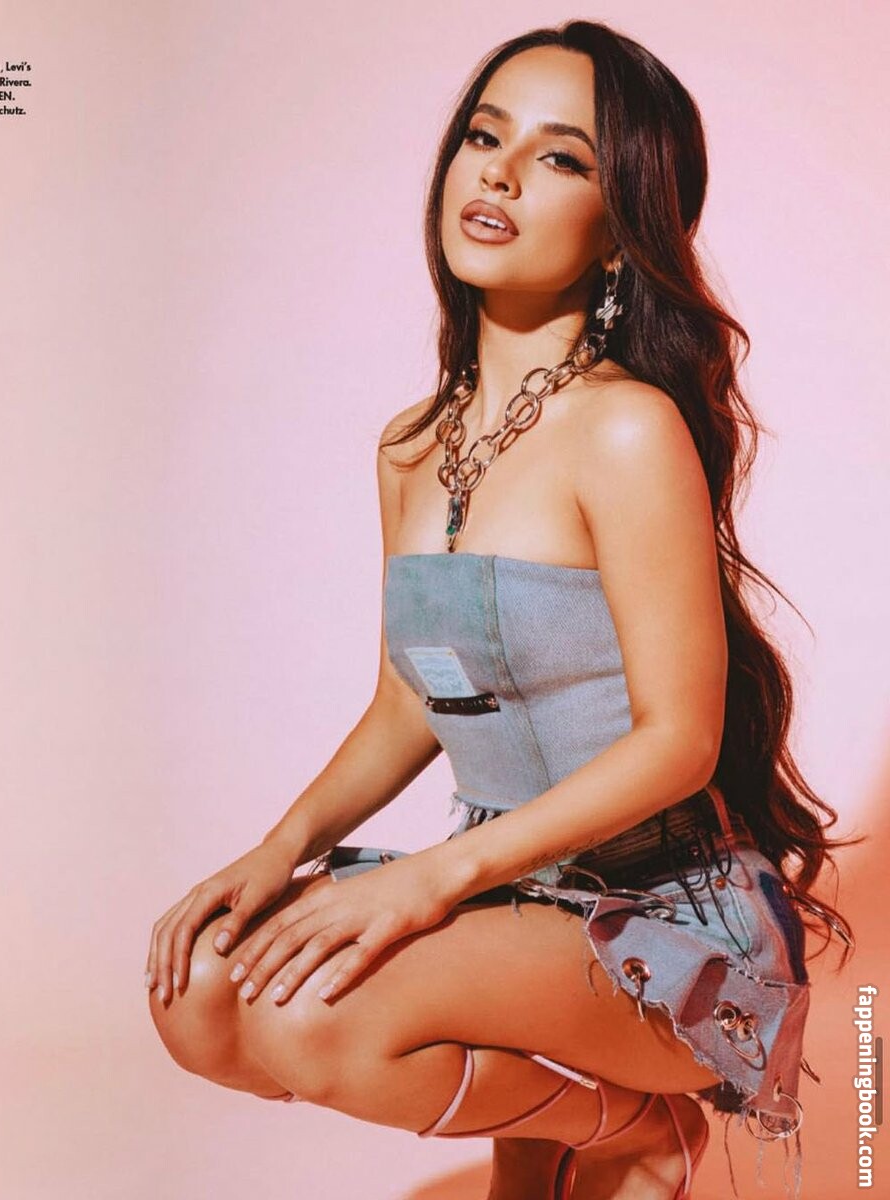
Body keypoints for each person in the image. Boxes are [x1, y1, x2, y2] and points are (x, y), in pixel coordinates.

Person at [145, 19, 856, 1200]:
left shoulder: (627, 429)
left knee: (309, 1017)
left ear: (620, 226)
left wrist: (431, 877)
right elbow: (407, 699)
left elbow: (680, 742)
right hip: (511, 897)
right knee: (201, 998)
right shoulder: (411, 445)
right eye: (485, 137)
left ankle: (632, 1133)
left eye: (561, 156)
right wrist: (280, 849)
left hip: (667, 924)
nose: (502, 173)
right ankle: (581, 1135)